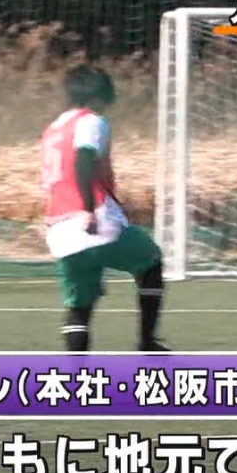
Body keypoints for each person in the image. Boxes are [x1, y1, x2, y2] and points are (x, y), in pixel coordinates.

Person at [40, 65, 168, 353]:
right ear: (100, 95)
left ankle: (76, 374)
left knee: (79, 308)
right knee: (151, 262)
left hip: (59, 228)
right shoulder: (91, 121)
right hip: (93, 221)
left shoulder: (54, 128)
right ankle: (148, 342)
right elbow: (83, 160)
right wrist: (87, 209)